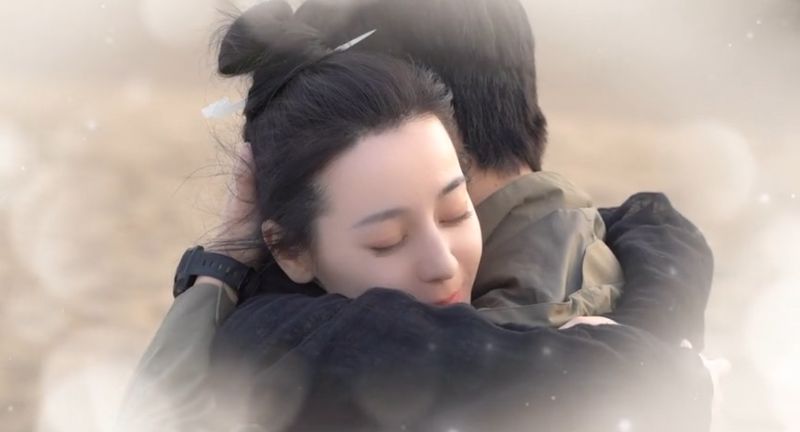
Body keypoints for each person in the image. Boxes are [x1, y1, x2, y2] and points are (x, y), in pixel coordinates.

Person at [115, 0, 714, 430]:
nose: (440, 263)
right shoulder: (623, 253)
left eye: (452, 212)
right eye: (387, 239)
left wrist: (221, 272)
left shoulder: (308, 343)